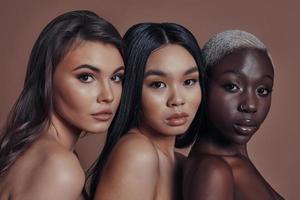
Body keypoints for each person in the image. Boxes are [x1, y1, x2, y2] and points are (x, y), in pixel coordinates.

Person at [0, 10, 124, 200]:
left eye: (116, 77)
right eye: (86, 77)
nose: (108, 96)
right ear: (47, 79)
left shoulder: (30, 150)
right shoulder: (59, 167)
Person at [89, 22, 205, 200]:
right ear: (132, 88)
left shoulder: (180, 164)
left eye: (189, 81)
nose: (177, 100)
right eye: (158, 84)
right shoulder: (137, 154)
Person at [183, 30, 284, 200]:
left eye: (263, 90)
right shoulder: (213, 171)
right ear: (202, 85)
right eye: (232, 86)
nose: (250, 105)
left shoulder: (235, 161)